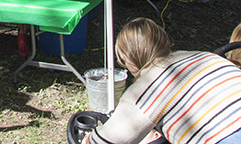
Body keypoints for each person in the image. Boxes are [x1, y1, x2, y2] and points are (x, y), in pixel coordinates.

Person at [84, 18, 241, 144]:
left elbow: (110, 139)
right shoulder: (204, 56)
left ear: (128, 59)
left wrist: (87, 140)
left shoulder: (147, 86)